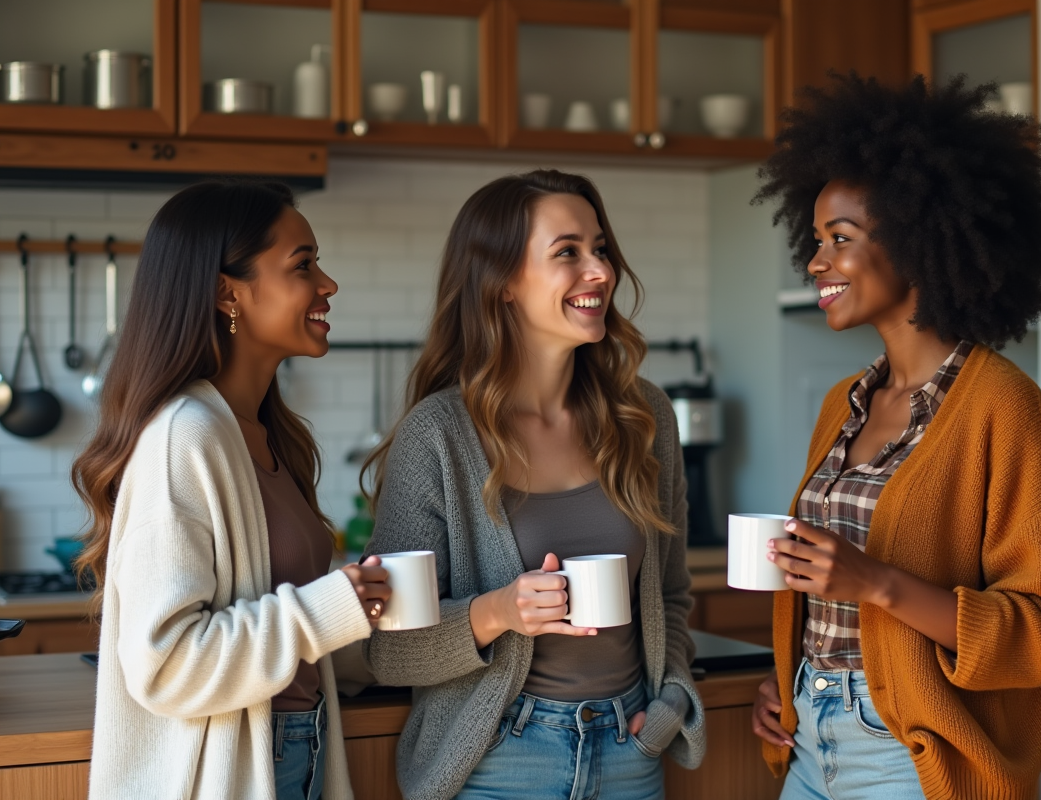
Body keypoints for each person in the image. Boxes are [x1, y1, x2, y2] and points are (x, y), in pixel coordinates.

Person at [749, 74, 1041, 799]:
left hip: (910, 754)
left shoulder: (1006, 409)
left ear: (919, 239)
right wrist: (787, 681)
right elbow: (819, 592)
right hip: (810, 738)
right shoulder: (844, 402)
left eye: (840, 239)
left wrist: (875, 582)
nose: (815, 261)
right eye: (815, 240)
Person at [361, 169, 706, 800]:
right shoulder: (437, 435)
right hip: (499, 760)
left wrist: (670, 702)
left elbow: (673, 595)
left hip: (631, 750)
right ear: (503, 284)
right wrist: (500, 612)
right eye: (567, 253)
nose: (599, 271)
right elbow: (391, 654)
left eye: (599, 248)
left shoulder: (644, 417)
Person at [72, 180, 392, 800]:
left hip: (297, 747)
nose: (327, 284)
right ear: (227, 292)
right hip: (244, 767)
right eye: (303, 266)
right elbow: (166, 664)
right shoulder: (184, 436)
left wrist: (380, 617)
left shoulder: (268, 433)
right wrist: (331, 607)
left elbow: (293, 632)